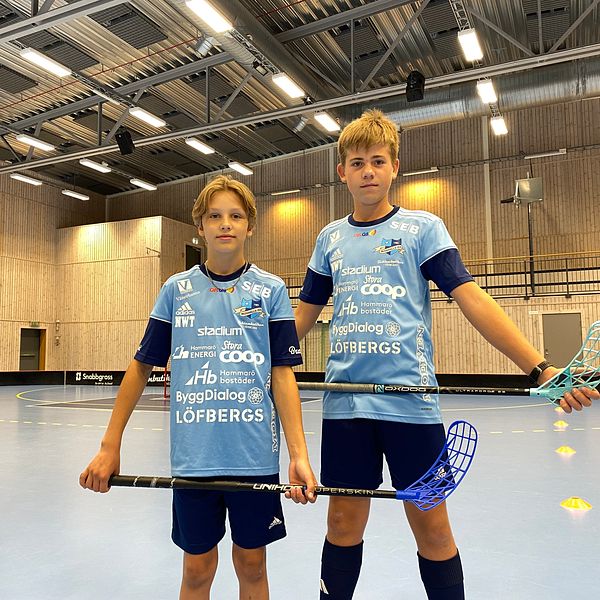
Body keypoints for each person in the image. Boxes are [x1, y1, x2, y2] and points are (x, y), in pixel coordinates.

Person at [294, 109, 598, 600]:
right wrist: (253, 365)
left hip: (412, 408)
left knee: (433, 529)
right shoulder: (329, 238)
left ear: (395, 168)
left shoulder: (422, 229)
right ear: (342, 172)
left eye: (378, 161)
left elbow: (473, 299)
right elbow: (301, 319)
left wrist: (540, 368)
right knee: (343, 524)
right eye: (357, 163)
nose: (368, 171)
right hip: (346, 407)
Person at [80, 174, 317, 600]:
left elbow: (283, 375)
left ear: (250, 226)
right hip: (195, 460)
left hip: (254, 458)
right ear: (200, 227)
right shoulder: (176, 289)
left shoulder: (271, 290)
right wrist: (109, 445)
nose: (225, 224)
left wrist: (298, 455)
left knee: (252, 566)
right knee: (196, 570)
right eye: (214, 216)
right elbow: (140, 367)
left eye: (236, 216)